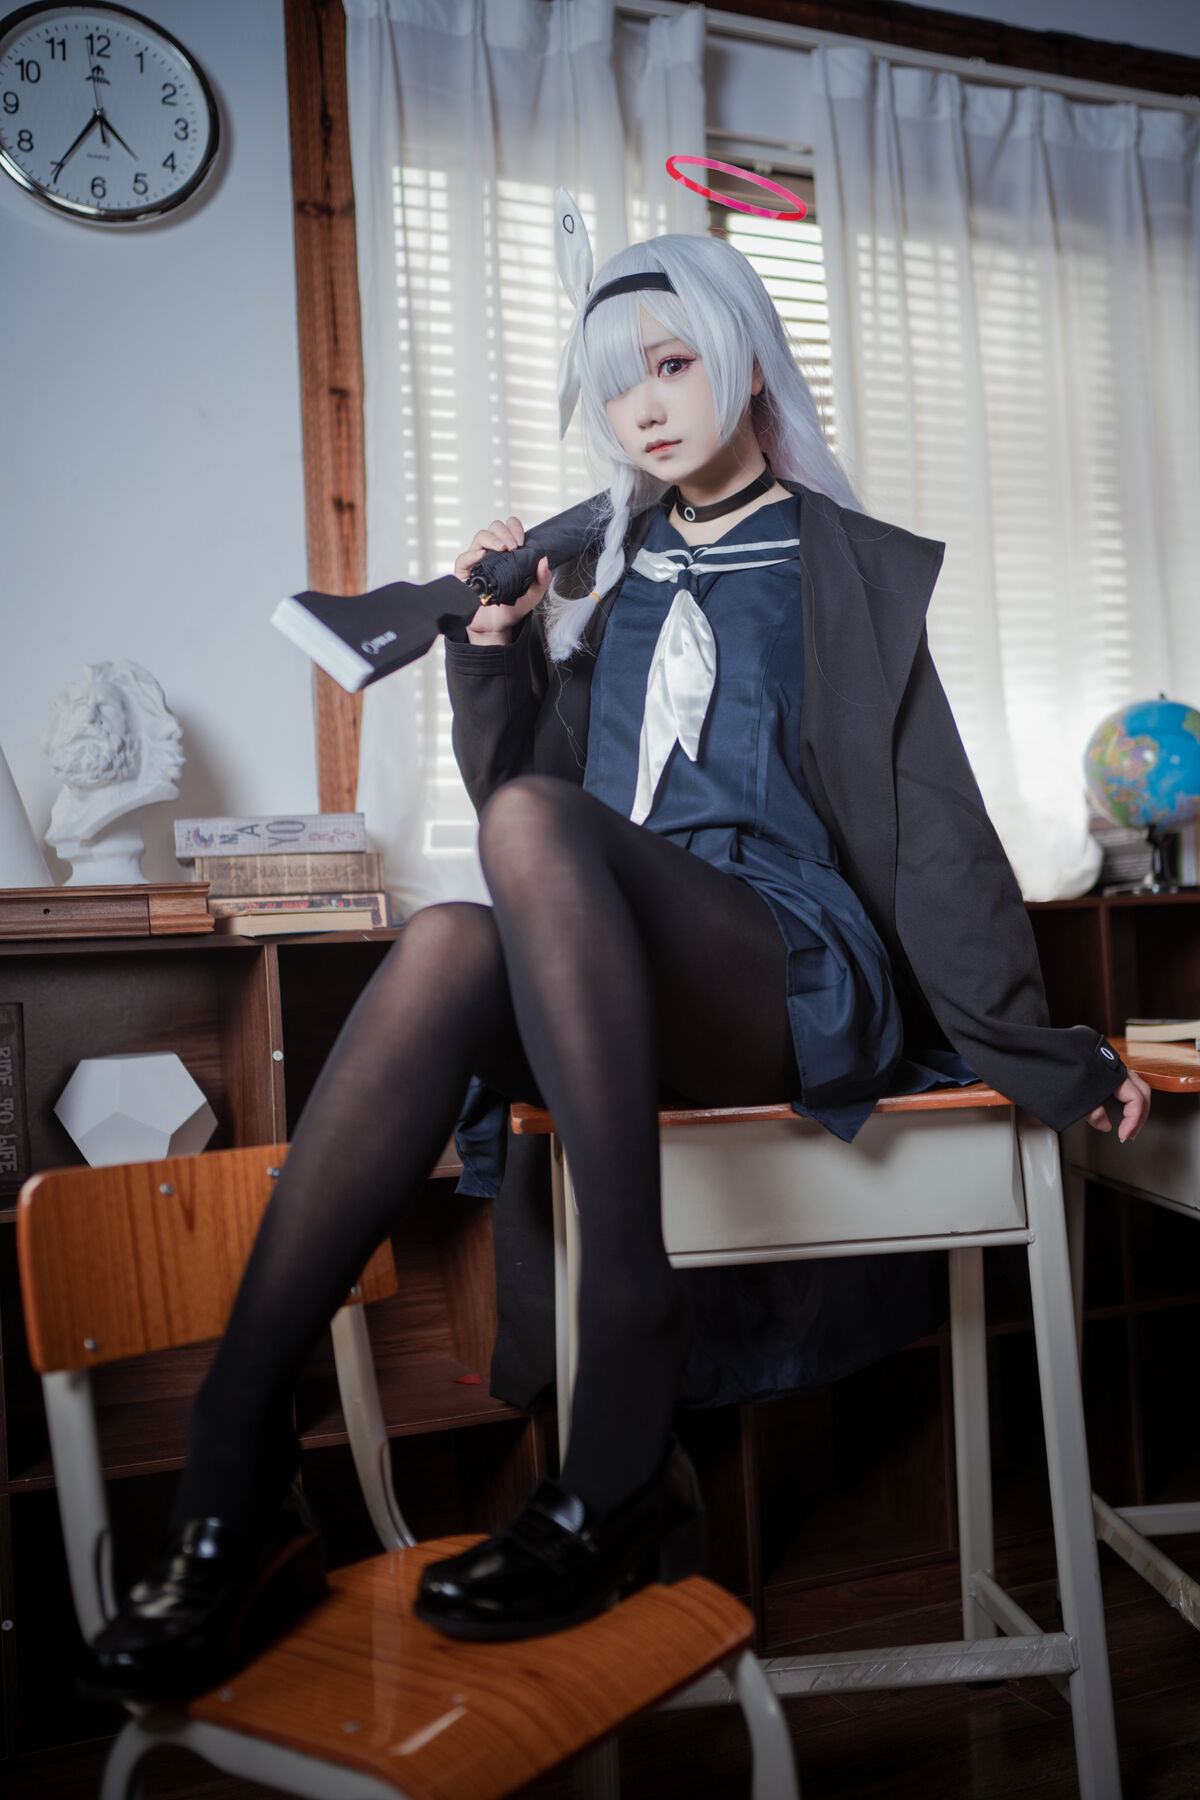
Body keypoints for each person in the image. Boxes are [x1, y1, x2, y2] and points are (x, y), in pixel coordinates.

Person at [86, 220, 1151, 1697]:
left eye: (672, 364)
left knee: (523, 843)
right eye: (613, 385)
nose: (643, 407)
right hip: (622, 965)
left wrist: (1045, 1053)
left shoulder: (844, 567)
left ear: (747, 361)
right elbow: (537, 809)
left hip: (785, 966)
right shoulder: (617, 579)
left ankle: (627, 1345)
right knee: (451, 937)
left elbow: (937, 837)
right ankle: (237, 1471)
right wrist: (493, 647)